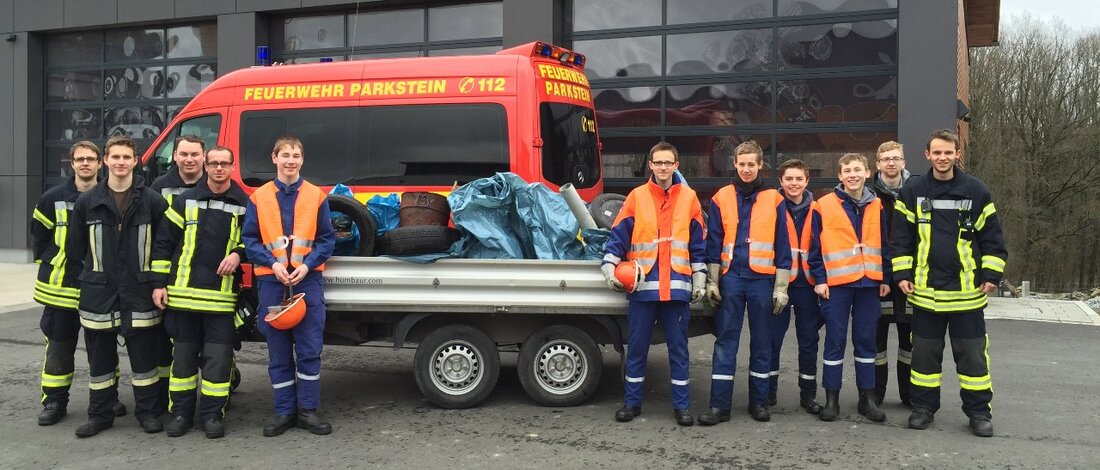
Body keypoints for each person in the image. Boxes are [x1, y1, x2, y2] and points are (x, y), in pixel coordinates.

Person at [892, 129, 1007, 437]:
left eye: (948, 152)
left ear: (958, 154)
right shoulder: (912, 191)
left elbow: (993, 239)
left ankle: (979, 412)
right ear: (927, 155)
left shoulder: (976, 191)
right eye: (937, 152)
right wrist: (902, 274)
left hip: (967, 295)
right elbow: (901, 239)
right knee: (924, 357)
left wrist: (991, 275)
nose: (942, 158)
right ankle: (923, 408)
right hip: (925, 294)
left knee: (973, 359)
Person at [66, 136, 168, 437]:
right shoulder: (87, 202)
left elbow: (163, 247)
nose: (121, 162)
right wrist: (91, 279)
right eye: (115, 157)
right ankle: (100, 415)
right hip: (100, 291)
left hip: (140, 290)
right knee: (100, 361)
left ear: (135, 161)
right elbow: (75, 250)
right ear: (106, 161)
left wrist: (157, 283)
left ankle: (148, 413)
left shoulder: (153, 201)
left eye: (126, 157)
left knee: (145, 360)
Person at [602, 142, 705, 427]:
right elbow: (619, 236)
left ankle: (681, 407)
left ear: (676, 165)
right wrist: (609, 267)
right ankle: (631, 404)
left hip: (677, 288)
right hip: (643, 288)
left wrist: (700, 277)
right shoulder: (636, 197)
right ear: (650, 165)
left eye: (668, 162)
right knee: (637, 349)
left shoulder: (689, 198)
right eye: (658, 162)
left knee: (679, 351)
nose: (663, 167)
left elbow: (698, 242)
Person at [151, 146, 247, 439]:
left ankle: (212, 415)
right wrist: (158, 284)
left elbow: (254, 239)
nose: (218, 168)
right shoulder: (185, 200)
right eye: (213, 163)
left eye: (224, 164)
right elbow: (164, 243)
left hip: (221, 299)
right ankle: (181, 414)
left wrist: (238, 254)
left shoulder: (244, 203)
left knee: (218, 361)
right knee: (182, 360)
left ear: (232, 167)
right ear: (206, 166)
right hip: (182, 297)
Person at [242, 135, 335, 437]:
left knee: (309, 350)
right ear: (274, 158)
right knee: (279, 352)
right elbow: (250, 240)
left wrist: (307, 265)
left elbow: (326, 240)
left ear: (302, 160)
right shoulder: (259, 197)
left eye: (296, 155)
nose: (290, 161)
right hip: (273, 281)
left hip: (308, 281)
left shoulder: (316, 196)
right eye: (285, 155)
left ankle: (308, 412)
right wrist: (273, 264)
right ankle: (284, 412)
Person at [32, 141, 127, 425]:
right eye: (80, 159)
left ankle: (107, 399)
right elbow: (40, 238)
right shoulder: (51, 198)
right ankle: (54, 401)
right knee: (59, 347)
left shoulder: (112, 196)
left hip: (99, 288)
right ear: (72, 163)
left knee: (103, 348)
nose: (85, 163)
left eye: (90, 159)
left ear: (100, 163)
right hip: (61, 289)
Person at [698, 140, 791, 425]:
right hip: (732, 280)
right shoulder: (721, 197)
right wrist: (712, 282)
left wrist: (781, 288)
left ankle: (759, 403)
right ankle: (719, 406)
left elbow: (783, 245)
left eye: (752, 164)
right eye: (742, 164)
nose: (746, 169)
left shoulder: (775, 199)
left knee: (762, 341)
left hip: (762, 280)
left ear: (761, 165)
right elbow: (714, 242)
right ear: (735, 164)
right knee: (726, 342)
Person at [807, 152, 891, 423]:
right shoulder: (823, 205)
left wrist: (885, 278)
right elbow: (814, 247)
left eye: (857, 170)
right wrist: (820, 280)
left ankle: (867, 399)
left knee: (866, 341)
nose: (853, 175)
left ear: (867, 173)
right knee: (835, 340)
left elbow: (884, 244)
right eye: (847, 171)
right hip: (837, 285)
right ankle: (831, 399)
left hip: (869, 284)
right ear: (840, 176)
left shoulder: (876, 205)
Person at [148, 134, 208, 410]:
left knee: (212, 340)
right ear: (174, 156)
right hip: (170, 274)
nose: (189, 159)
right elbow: (155, 237)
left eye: (194, 154)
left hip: (205, 277)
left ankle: (221, 389)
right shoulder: (159, 188)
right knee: (165, 338)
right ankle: (163, 395)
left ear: (204, 157)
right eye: (183, 154)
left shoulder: (215, 185)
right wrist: (157, 279)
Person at [768, 159, 825, 415]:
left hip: (807, 284)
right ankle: (768, 393)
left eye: (799, 179)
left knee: (808, 340)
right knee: (772, 339)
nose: (794, 183)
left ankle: (808, 395)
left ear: (807, 181)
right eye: (789, 179)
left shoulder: (818, 209)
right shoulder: (772, 207)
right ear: (781, 181)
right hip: (779, 282)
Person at [870, 141, 913, 406]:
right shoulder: (869, 196)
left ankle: (909, 396)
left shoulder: (917, 192)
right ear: (878, 165)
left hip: (910, 278)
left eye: (895, 158)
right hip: (880, 279)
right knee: (877, 343)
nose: (891, 163)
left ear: (903, 162)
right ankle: (876, 394)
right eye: (885, 159)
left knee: (911, 343)